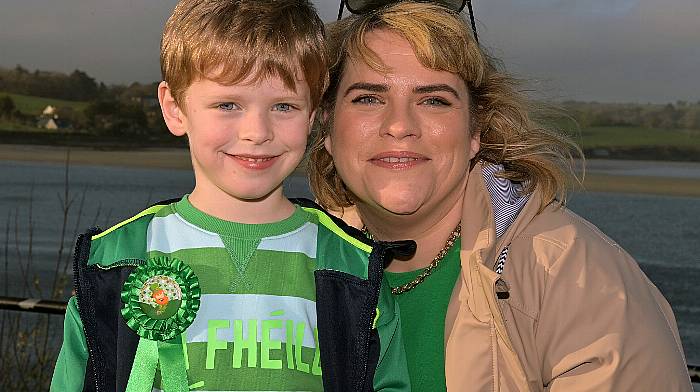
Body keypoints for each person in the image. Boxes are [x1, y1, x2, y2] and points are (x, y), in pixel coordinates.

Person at [309, 1, 693, 391]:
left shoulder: (576, 280)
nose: (399, 125)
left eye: (434, 100)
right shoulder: (290, 264)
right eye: (368, 98)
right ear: (326, 124)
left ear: (476, 130)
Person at [50, 0, 411, 391]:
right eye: (228, 104)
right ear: (175, 108)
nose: (257, 131)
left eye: (284, 106)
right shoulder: (113, 262)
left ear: (313, 116)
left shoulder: (352, 267)